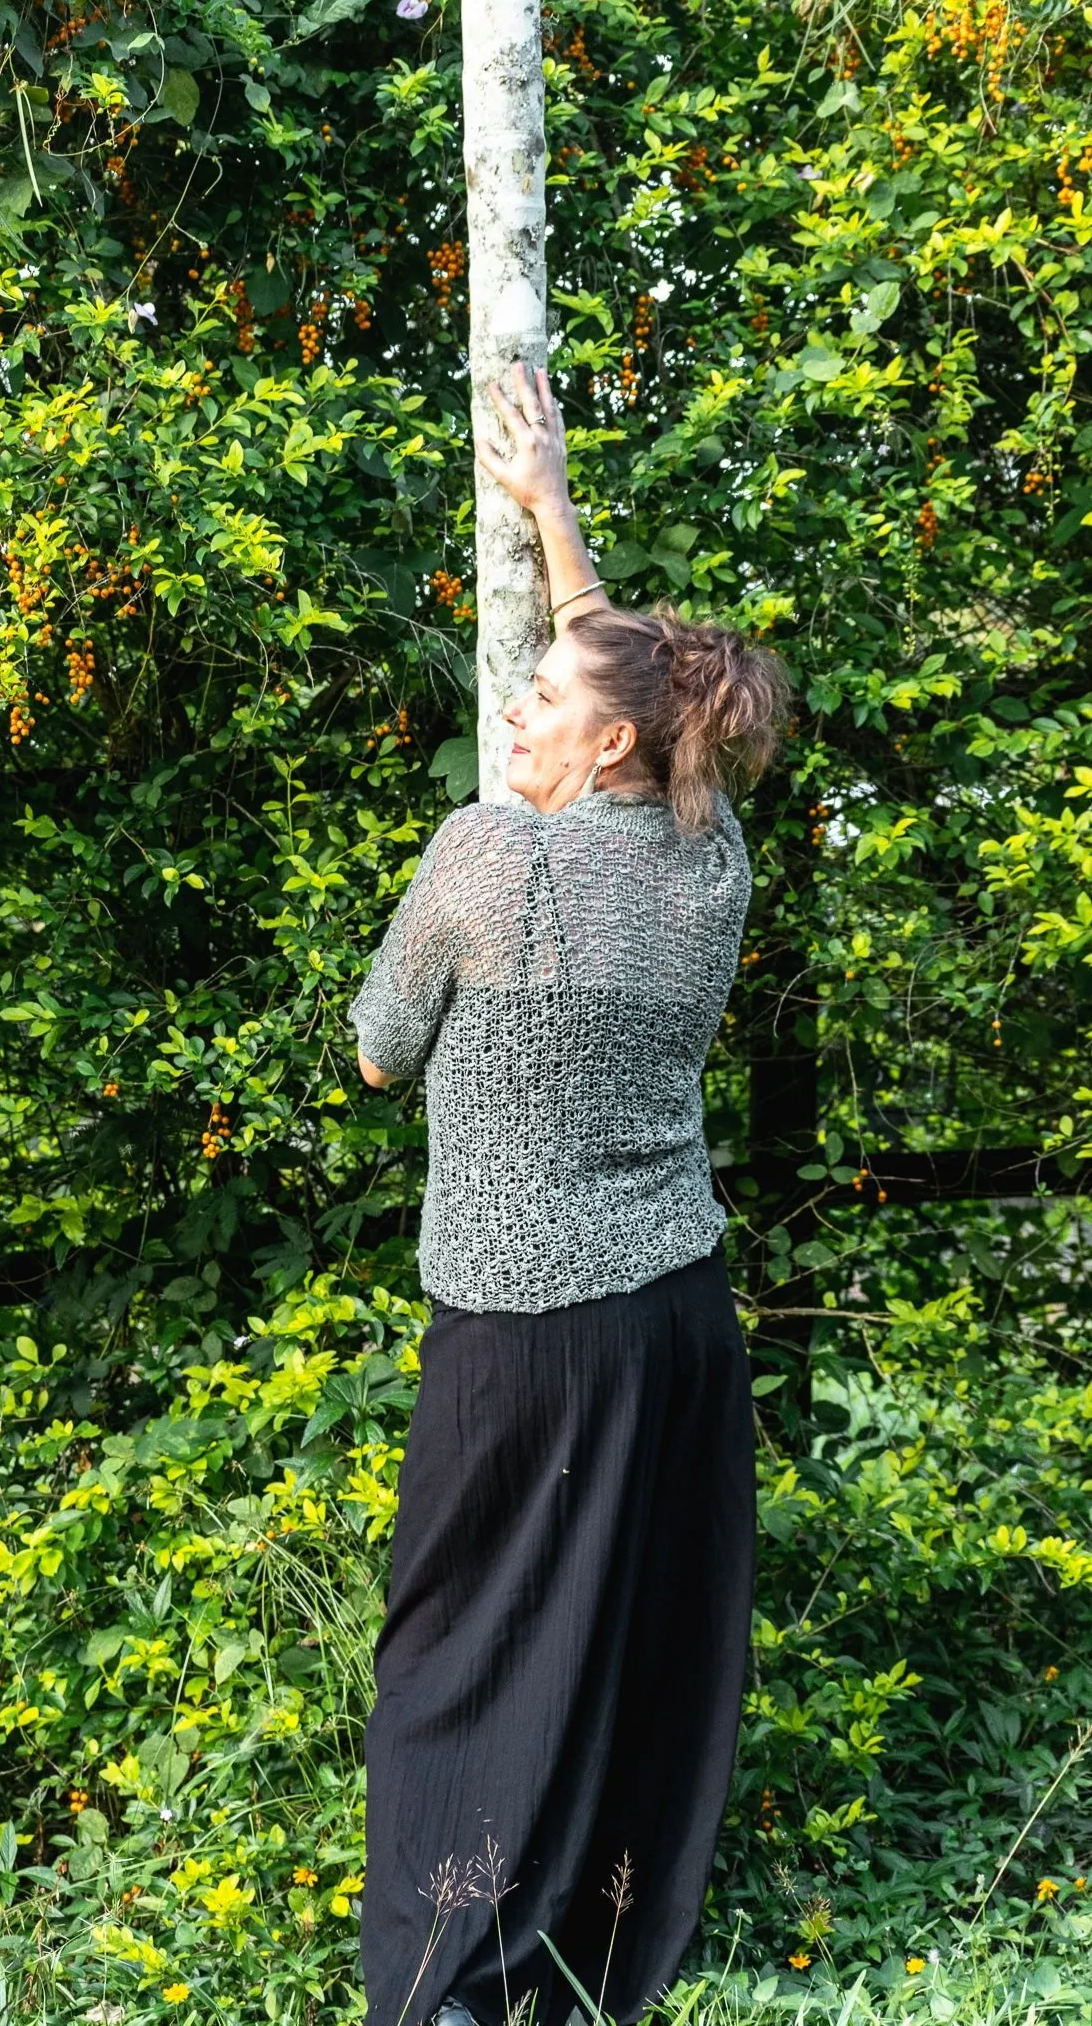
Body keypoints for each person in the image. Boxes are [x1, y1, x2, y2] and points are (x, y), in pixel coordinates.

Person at [350, 363, 789, 2026]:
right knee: (624, 1651)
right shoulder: (708, 849)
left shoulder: (488, 856)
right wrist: (552, 514)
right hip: (672, 1324)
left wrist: (425, 967)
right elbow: (637, 687)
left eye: (537, 696)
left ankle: (444, 1994)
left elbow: (384, 1048)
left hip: (522, 1339)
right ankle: (589, 1969)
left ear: (606, 738)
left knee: (458, 1666)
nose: (513, 714)